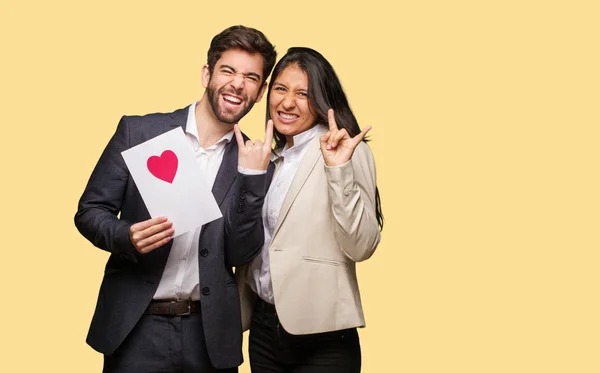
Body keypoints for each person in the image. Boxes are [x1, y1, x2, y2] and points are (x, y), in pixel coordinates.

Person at [74, 25, 276, 373]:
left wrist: (253, 178)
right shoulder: (139, 133)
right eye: (228, 70)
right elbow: (90, 211)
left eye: (251, 77)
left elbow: (242, 252)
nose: (238, 84)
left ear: (259, 93)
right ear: (206, 74)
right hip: (137, 326)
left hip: (208, 333)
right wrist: (127, 236)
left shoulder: (256, 162)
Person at [236, 47, 384, 373]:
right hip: (263, 326)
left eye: (303, 93)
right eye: (280, 89)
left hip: (323, 334)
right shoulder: (267, 159)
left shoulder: (345, 151)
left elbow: (362, 245)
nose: (288, 103)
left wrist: (339, 170)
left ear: (322, 99)